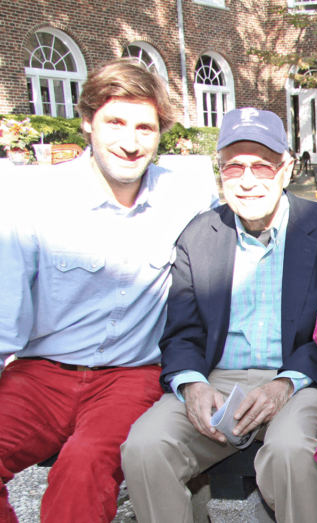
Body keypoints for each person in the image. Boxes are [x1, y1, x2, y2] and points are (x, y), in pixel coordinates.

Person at [0, 59, 219, 523]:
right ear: (87, 122)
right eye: (115, 122)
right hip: (42, 373)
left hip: (129, 376)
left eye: (145, 127)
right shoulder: (34, 199)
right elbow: (6, 309)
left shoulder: (187, 196)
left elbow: (248, 220)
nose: (130, 141)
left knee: (83, 466)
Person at [119, 108, 317, 523]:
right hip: (216, 382)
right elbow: (181, 333)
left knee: (291, 451)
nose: (248, 180)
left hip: (298, 380)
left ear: (285, 169)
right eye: (234, 166)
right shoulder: (199, 235)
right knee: (145, 446)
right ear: (220, 174)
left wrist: (286, 383)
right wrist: (192, 386)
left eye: (262, 165)